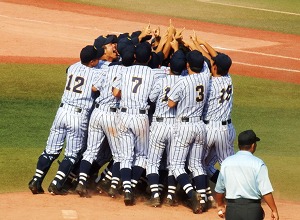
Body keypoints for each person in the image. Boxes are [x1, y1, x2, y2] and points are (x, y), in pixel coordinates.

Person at [28, 45, 104, 195]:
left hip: (62, 113)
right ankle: (56, 184)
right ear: (92, 62)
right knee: (71, 154)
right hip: (77, 116)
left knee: (50, 150)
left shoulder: (73, 67)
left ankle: (36, 181)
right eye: (96, 59)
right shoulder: (97, 74)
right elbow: (96, 89)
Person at [112, 41, 164, 206]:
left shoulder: (125, 70)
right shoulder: (153, 74)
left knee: (126, 156)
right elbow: (153, 98)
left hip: (124, 116)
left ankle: (127, 189)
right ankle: (132, 185)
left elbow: (116, 92)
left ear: (134, 56)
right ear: (149, 58)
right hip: (141, 118)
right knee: (142, 156)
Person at [167, 50, 211, 214]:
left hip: (184, 127)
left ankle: (193, 196)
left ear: (187, 65)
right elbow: (205, 64)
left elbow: (171, 103)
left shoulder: (183, 82)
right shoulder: (206, 77)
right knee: (196, 165)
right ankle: (204, 199)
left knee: (177, 165)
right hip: (200, 126)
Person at [146, 39, 186, 207]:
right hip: (176, 127)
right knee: (173, 163)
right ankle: (170, 196)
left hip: (159, 125)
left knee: (153, 162)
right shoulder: (186, 82)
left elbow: (151, 99)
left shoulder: (162, 81)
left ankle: (155, 194)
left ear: (169, 66)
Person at [215, 130, 279, 220]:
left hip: (232, 210)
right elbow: (266, 191)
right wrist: (274, 210)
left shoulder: (226, 162)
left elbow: (219, 189)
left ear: (238, 144)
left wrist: (220, 205)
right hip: (253, 210)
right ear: (253, 145)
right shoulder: (258, 163)